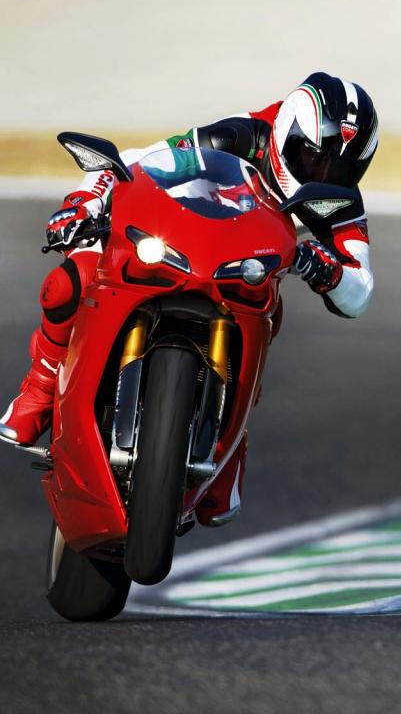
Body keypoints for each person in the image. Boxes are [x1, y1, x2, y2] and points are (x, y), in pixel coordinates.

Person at [0, 72, 378, 526]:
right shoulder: (238, 134)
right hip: (177, 239)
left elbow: (360, 289)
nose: (325, 176)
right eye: (315, 159)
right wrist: (84, 203)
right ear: (287, 133)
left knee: (267, 307)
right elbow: (138, 162)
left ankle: (228, 445)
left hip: (243, 267)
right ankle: (41, 387)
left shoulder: (338, 199)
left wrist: (329, 270)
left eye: (342, 169)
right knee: (72, 278)